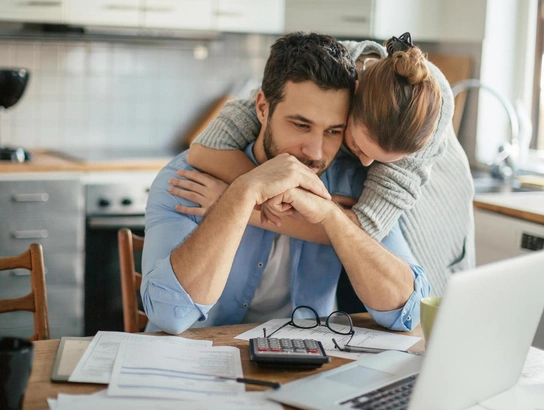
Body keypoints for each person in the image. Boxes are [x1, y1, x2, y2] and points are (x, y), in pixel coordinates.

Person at [141, 32, 430, 335]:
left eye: (333, 131)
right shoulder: (190, 178)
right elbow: (170, 315)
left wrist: (332, 216)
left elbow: (408, 311)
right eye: (301, 125)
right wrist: (242, 193)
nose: (316, 152)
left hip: (304, 372)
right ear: (263, 108)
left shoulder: (353, 185)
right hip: (197, 367)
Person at [183, 33, 474, 297]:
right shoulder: (327, 72)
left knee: (424, 311)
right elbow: (205, 150)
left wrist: (240, 206)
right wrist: (258, 192)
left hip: (432, 222)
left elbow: (362, 231)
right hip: (346, 234)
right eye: (357, 145)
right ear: (352, 98)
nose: (364, 162)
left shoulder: (430, 113)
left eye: (382, 162)